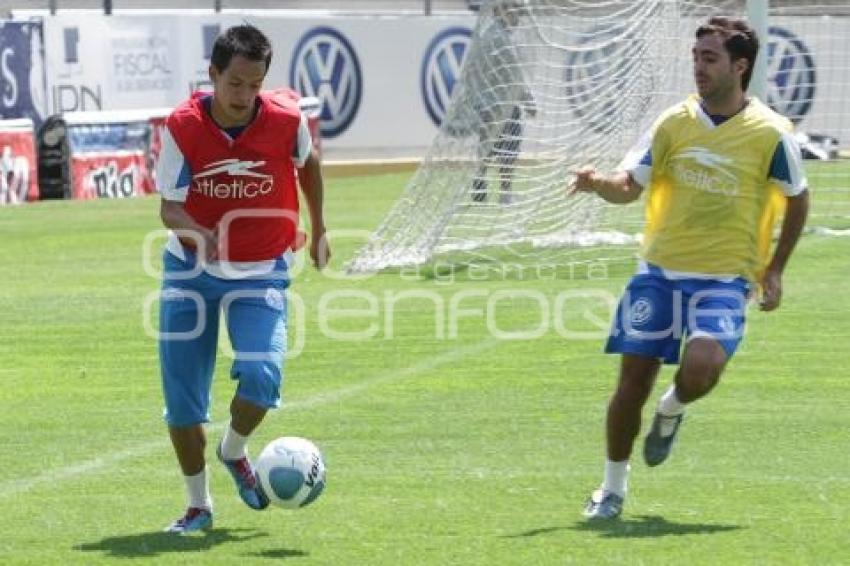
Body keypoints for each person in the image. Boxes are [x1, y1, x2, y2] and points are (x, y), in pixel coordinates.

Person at [569, 16, 809, 520]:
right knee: (630, 384)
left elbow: (798, 198)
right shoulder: (673, 122)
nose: (698, 67)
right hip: (657, 273)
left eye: (710, 58)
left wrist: (776, 268)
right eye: (696, 57)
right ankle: (611, 490)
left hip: (724, 279)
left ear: (740, 66)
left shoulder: (770, 134)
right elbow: (628, 186)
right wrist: (598, 184)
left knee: (701, 370)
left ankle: (672, 409)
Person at [156, 24, 329, 533]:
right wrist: (196, 232)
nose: (245, 96)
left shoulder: (285, 119)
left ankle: (234, 452)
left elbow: (309, 163)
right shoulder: (183, 126)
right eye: (235, 84)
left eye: (255, 85)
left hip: (261, 272)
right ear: (212, 75)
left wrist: (319, 229)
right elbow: (168, 207)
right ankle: (198, 506)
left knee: (263, 376)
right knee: (184, 402)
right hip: (190, 270)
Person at [470, 0, 536, 204]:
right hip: (503, 103)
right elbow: (513, 76)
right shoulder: (502, 39)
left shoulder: (485, 35)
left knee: (488, 146)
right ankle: (505, 193)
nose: (518, 16)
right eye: (514, 10)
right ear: (501, 10)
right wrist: (529, 101)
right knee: (508, 148)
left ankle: (480, 186)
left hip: (485, 101)